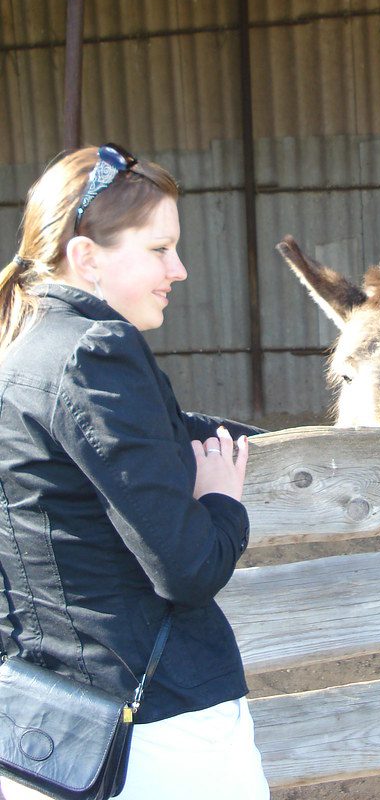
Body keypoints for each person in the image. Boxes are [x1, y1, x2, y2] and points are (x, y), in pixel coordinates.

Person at [0, 144, 269, 800]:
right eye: (159, 249)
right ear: (86, 255)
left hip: (44, 724)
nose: (178, 270)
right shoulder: (96, 353)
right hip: (155, 731)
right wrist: (223, 504)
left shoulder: (19, 347)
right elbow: (188, 568)